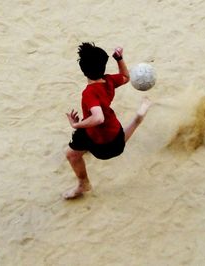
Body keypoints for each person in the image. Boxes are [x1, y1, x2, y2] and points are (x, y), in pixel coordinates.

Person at [63, 42, 151, 199]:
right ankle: (137, 119)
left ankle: (83, 185)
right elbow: (125, 77)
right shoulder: (109, 81)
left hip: (99, 144)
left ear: (83, 71)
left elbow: (97, 118)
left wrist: (76, 124)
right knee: (118, 139)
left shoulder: (89, 93)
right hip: (114, 134)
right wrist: (119, 58)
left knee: (72, 155)